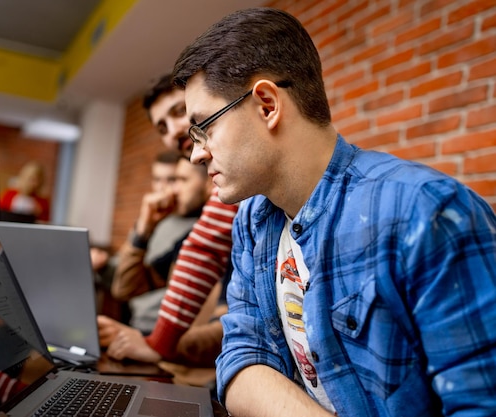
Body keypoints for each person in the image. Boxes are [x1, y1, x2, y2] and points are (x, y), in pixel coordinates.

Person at [171, 7, 496, 417]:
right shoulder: (254, 221)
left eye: (204, 127)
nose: (197, 154)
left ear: (267, 104)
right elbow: (241, 355)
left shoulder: (425, 212)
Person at [98, 74, 238, 366]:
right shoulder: (180, 229)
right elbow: (124, 289)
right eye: (161, 126)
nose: (174, 131)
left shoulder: (232, 206)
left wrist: (158, 345)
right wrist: (142, 229)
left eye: (179, 111)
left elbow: (205, 250)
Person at [109, 153, 212, 335]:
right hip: (148, 331)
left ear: (210, 183)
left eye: (179, 180)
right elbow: (124, 288)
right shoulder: (168, 225)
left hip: (168, 339)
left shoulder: (211, 230)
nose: (171, 190)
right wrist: (143, 231)